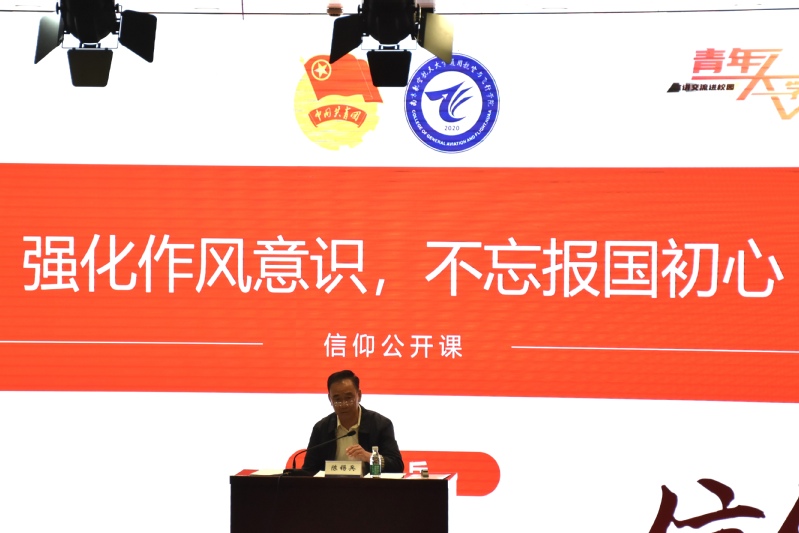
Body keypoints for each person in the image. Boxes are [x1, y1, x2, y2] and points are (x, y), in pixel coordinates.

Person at [302, 369, 404, 475]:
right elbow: (309, 470)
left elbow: (397, 466)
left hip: (368, 485)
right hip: (332, 485)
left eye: (348, 398)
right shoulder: (321, 428)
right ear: (330, 399)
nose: (343, 404)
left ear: (359, 395)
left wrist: (370, 457)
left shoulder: (380, 425)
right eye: (337, 399)